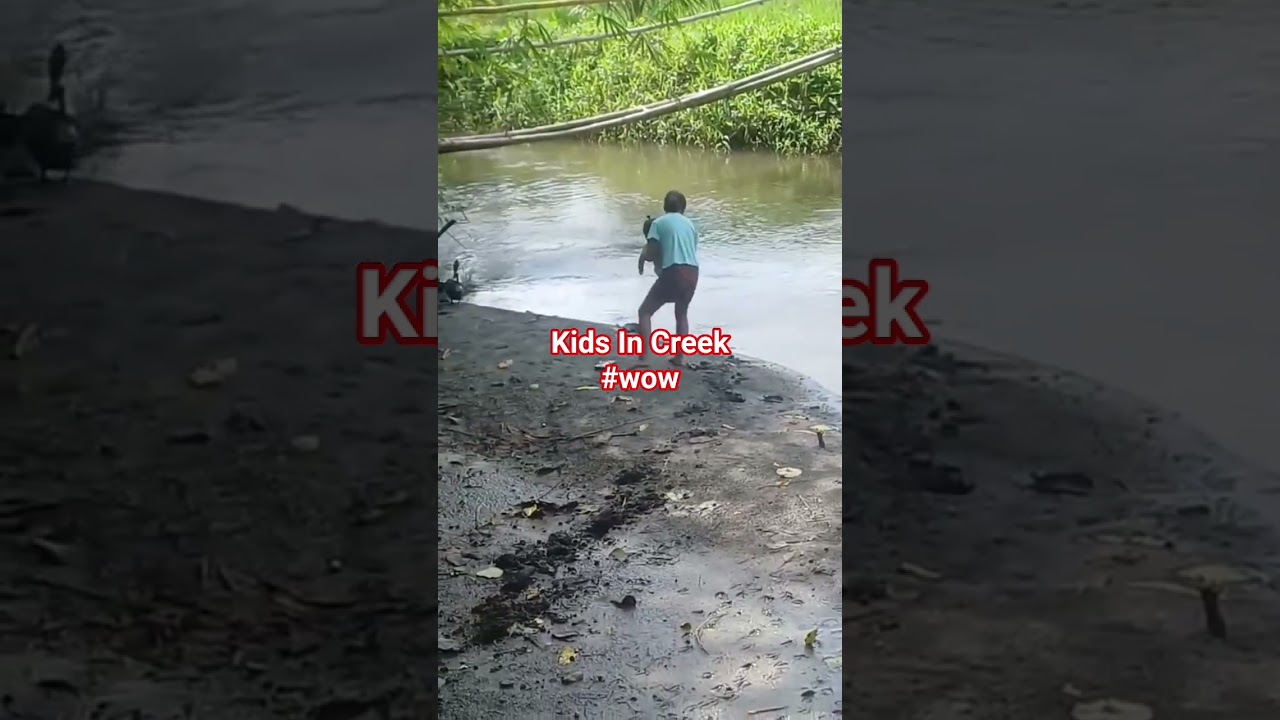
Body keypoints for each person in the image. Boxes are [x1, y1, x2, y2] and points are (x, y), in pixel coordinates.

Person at [635, 190, 699, 366]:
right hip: (693, 272)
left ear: (664, 206)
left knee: (645, 312)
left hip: (673, 271)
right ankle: (680, 357)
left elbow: (651, 254)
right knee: (681, 313)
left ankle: (644, 359)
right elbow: (690, 251)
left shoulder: (658, 223)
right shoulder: (690, 225)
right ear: (683, 208)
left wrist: (643, 255)